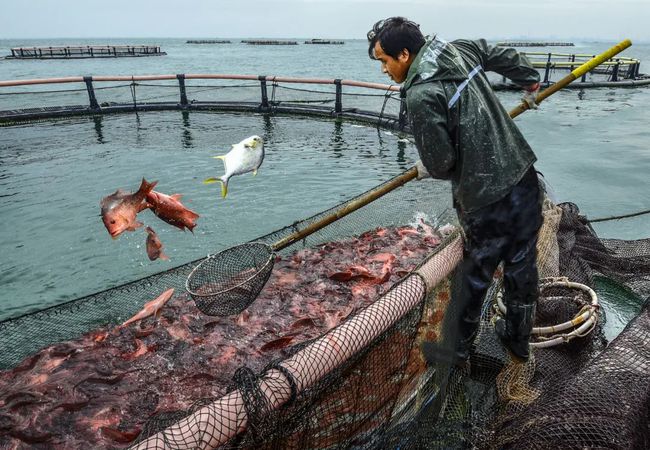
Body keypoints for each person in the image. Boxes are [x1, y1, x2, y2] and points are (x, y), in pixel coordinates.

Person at [367, 17, 543, 363]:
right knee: (521, 262)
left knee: (474, 277)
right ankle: (517, 339)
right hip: (522, 175)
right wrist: (530, 80)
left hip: (484, 199)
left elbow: (442, 163)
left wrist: (426, 166)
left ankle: (456, 351)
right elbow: (499, 53)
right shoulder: (457, 49)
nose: (383, 70)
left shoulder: (420, 94)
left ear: (404, 54)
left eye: (384, 62)